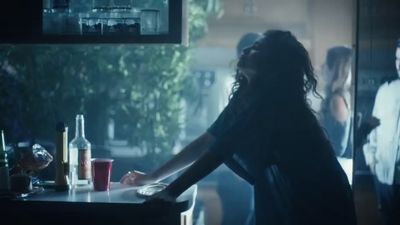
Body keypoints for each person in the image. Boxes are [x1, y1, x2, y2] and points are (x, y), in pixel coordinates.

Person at [121, 30, 357, 225]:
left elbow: (220, 150)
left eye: (256, 49)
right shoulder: (246, 98)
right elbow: (208, 141)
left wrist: (171, 192)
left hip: (319, 200)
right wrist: (153, 177)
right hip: (289, 195)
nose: (246, 50)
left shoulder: (275, 104)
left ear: (272, 65)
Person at [363, 38, 400, 225]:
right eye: (397, 58)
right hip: (384, 175)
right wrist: (371, 160)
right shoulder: (384, 92)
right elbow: (372, 131)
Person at [318, 46, 353, 158]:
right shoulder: (335, 97)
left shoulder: (337, 101)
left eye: (326, 63)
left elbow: (338, 148)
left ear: (335, 69)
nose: (322, 67)